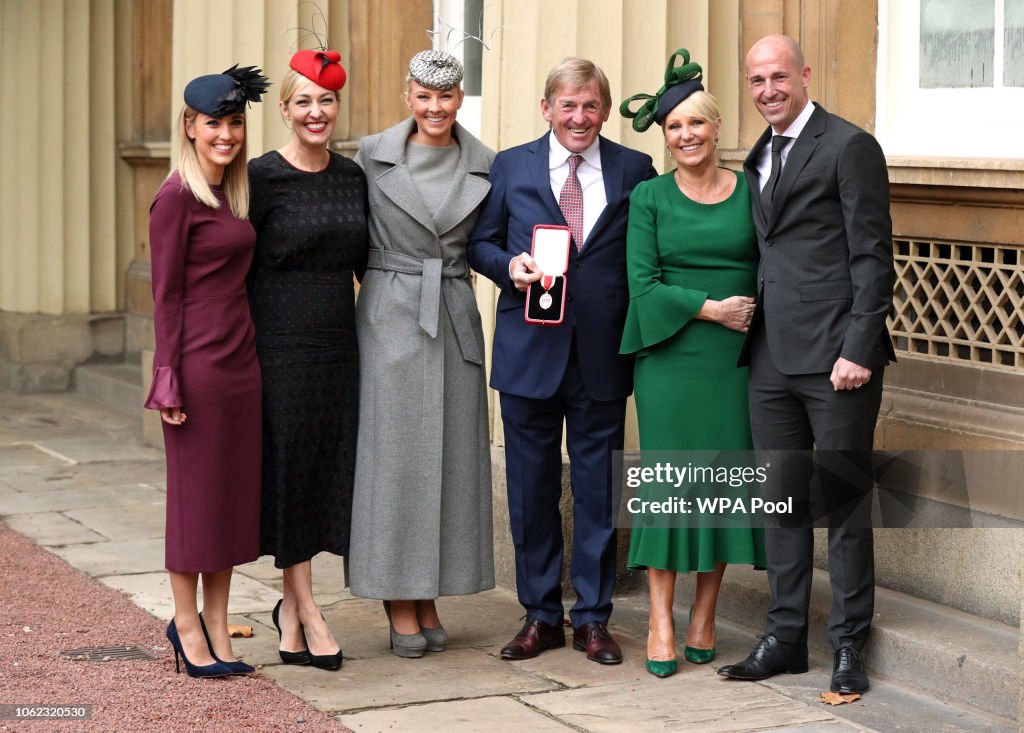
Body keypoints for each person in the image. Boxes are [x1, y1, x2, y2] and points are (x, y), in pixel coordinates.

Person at [717, 34, 895, 694]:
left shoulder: (849, 145)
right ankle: (785, 637)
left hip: (837, 359)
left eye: (778, 77)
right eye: (757, 79)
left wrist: (858, 346)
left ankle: (850, 644)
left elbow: (873, 256)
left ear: (805, 75)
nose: (768, 90)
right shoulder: (760, 152)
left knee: (845, 505)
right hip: (769, 357)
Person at [467, 57, 656, 665]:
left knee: (599, 489)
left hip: (602, 353)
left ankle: (594, 619)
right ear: (546, 108)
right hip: (529, 351)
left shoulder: (635, 169)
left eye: (591, 106)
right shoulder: (511, 166)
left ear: (604, 109)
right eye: (567, 105)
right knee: (531, 489)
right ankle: (541, 615)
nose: (580, 117)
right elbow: (481, 243)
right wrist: (508, 267)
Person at [617, 50, 766, 679]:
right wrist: (711, 310)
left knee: (723, 487)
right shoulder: (648, 197)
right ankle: (658, 618)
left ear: (716, 126)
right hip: (671, 361)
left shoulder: (753, 191)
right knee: (668, 489)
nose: (685, 136)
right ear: (664, 134)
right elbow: (641, 286)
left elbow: (774, 266)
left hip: (735, 364)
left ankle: (705, 613)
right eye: (674, 127)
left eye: (696, 124)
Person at [348, 49, 495, 658]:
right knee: (396, 460)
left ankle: (430, 591)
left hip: (455, 308)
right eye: (424, 96)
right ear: (407, 95)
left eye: (447, 96)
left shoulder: (487, 163)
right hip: (391, 312)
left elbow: (488, 239)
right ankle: (397, 597)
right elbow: (347, 233)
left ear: (459, 97)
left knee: (451, 460)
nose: (436, 108)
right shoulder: (370, 155)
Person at [145, 65, 269, 678]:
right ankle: (185, 624)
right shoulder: (175, 197)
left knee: (231, 500)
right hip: (196, 368)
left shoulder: (232, 194)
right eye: (213, 123)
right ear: (190, 127)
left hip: (241, 361)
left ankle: (219, 624)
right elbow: (164, 297)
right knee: (195, 503)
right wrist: (166, 376)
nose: (226, 134)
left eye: (235, 122)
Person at [247, 49, 367, 671]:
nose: (315, 112)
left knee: (328, 473)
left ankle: (292, 610)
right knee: (291, 473)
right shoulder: (261, 179)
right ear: (286, 110)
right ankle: (307, 607)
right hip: (280, 348)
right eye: (303, 102)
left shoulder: (352, 177)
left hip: (341, 349)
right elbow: (233, 269)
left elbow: (370, 266)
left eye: (325, 101)